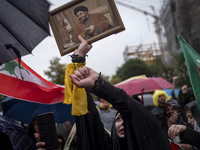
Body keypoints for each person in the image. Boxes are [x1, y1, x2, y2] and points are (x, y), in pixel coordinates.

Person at [35, 35, 171, 150]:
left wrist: (100, 85)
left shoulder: (153, 141)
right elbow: (88, 119)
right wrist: (78, 61)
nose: (122, 123)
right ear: (112, 127)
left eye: (127, 119)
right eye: (118, 119)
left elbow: (132, 109)